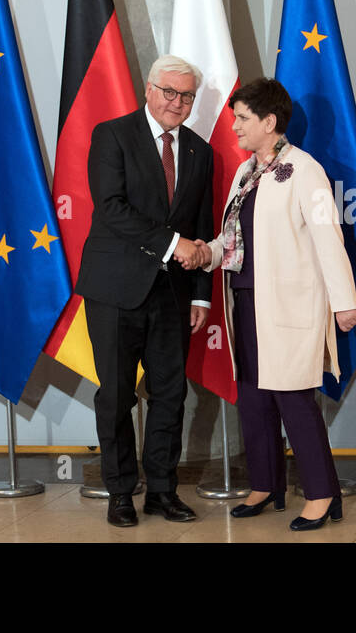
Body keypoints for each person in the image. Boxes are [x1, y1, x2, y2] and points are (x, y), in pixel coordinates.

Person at [178, 78, 356, 531]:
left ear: (270, 122)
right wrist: (207, 252)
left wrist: (344, 303)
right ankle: (266, 484)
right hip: (245, 301)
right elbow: (233, 241)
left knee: (294, 399)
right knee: (254, 398)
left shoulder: (305, 170)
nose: (234, 125)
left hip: (290, 305)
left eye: (242, 117)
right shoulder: (245, 173)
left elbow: (328, 239)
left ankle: (322, 494)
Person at [76, 55, 214, 527]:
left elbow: (201, 226)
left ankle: (161, 490)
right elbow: (111, 207)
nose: (178, 103)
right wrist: (174, 245)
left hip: (174, 295)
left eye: (188, 96)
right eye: (170, 92)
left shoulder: (199, 150)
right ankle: (119, 492)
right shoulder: (112, 135)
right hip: (115, 290)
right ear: (149, 90)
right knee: (116, 396)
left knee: (170, 395)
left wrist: (201, 294)